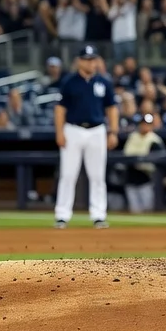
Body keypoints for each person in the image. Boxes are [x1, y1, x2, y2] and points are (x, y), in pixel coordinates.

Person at [53, 45, 119, 229]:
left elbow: (112, 108)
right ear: (80, 61)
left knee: (97, 175)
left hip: (97, 130)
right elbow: (60, 109)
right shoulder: (69, 82)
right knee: (68, 174)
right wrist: (59, 132)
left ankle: (99, 215)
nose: (91, 62)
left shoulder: (103, 82)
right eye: (88, 59)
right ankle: (62, 215)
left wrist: (113, 132)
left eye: (93, 59)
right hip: (73, 129)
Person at [122, 113, 165, 213]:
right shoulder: (133, 137)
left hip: (147, 179)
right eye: (143, 124)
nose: (145, 126)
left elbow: (159, 162)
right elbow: (127, 154)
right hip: (131, 178)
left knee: (148, 209)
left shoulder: (155, 140)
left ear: (152, 126)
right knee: (134, 210)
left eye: (148, 124)